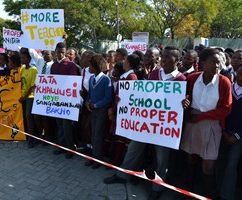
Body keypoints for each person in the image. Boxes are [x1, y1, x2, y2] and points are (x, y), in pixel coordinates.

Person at [104, 46, 186, 200]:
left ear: (177, 60)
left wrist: (184, 104)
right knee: (133, 149)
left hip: (163, 127)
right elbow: (144, 95)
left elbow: (180, 104)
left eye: (169, 57)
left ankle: (157, 188)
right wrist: (127, 99)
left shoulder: (181, 79)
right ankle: (123, 175)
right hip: (146, 124)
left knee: (162, 159)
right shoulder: (155, 73)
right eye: (164, 56)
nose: (165, 59)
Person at [181, 48, 232, 198]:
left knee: (208, 164)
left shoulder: (224, 82)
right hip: (192, 123)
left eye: (219, 63)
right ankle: (187, 190)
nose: (217, 66)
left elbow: (226, 110)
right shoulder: (192, 78)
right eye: (213, 62)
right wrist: (184, 104)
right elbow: (184, 99)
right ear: (203, 63)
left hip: (212, 124)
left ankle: (206, 193)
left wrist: (201, 117)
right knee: (191, 157)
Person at [216, 66, 242, 200]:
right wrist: (224, 130)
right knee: (220, 162)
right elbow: (221, 109)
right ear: (235, 73)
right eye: (239, 74)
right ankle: (216, 190)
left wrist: (236, 136)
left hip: (238, 137)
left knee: (232, 164)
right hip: (224, 131)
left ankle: (226, 195)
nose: (241, 77)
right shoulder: (228, 88)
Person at [51, 42, 80, 159]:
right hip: (57, 99)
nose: (61, 54)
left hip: (67, 100)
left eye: (63, 52)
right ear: (55, 51)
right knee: (59, 124)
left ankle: (70, 148)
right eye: (59, 52)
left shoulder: (71, 65)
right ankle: (61, 146)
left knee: (66, 125)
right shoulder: (53, 65)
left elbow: (73, 82)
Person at [84, 54, 113, 169]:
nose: (88, 67)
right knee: (93, 132)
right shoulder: (91, 78)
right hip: (93, 110)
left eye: (90, 65)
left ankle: (98, 158)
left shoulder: (106, 79)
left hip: (101, 111)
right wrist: (87, 102)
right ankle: (93, 155)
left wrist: (96, 104)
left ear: (96, 66)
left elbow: (108, 98)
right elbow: (90, 94)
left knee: (98, 134)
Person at [19, 48, 39, 148]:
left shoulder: (33, 70)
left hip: (30, 96)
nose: (22, 59)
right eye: (21, 57)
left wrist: (25, 97)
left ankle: (32, 138)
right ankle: (26, 134)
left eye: (24, 58)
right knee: (24, 116)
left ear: (29, 58)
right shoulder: (22, 69)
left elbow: (32, 86)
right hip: (22, 96)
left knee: (28, 116)